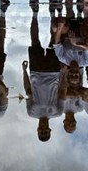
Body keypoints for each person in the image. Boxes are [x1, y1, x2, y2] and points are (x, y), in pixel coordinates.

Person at [22, 13, 62, 141]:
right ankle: (53, 14)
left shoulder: (31, 113)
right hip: (53, 72)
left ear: (38, 130)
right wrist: (64, 73)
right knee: (54, 40)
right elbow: (62, 91)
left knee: (34, 40)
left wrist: (24, 71)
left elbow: (28, 91)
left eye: (41, 132)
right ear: (49, 130)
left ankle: (34, 14)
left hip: (36, 71)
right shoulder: (57, 112)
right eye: (46, 132)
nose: (43, 130)